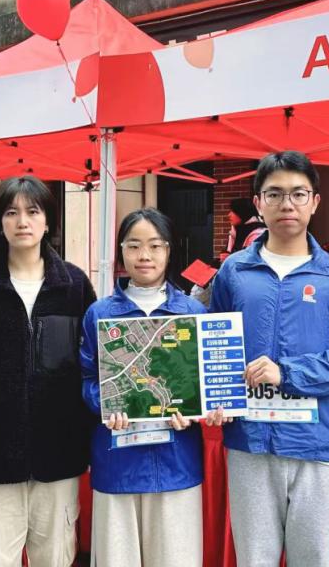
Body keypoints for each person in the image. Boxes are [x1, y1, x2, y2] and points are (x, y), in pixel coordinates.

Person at [210, 151, 329, 567]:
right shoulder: (233, 272)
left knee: (313, 557)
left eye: (298, 194)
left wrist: (287, 373)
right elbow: (215, 347)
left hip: (317, 441)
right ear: (258, 203)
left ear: (315, 202)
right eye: (275, 194)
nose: (287, 204)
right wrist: (213, 395)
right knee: (254, 558)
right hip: (250, 441)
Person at [0, 175, 96, 567]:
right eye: (11, 212)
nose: (22, 221)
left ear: (48, 220)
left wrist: (80, 438)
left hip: (58, 459)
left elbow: (91, 366)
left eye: (32, 211)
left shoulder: (74, 286)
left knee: (55, 558)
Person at [80, 208, 228, 567]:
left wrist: (198, 411)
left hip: (177, 462)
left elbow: (210, 386)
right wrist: (107, 404)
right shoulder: (99, 313)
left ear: (169, 250)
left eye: (155, 246)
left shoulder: (194, 312)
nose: (144, 255)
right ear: (121, 251)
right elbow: (86, 378)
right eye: (133, 246)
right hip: (117, 462)